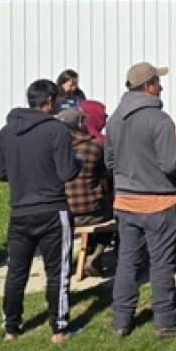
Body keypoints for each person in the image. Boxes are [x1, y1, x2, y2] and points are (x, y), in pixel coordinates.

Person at [106, 62, 176, 339]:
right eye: (158, 82)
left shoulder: (114, 119)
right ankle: (165, 321)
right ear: (148, 86)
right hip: (158, 202)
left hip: (125, 201)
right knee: (161, 264)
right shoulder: (160, 120)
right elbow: (171, 164)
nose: (161, 86)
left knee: (127, 262)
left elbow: (110, 162)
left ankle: (121, 321)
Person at [0, 79, 80, 343]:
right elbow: (67, 172)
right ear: (49, 101)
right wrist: (77, 161)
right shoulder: (56, 129)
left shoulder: (6, 132)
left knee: (16, 271)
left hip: (20, 210)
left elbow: (0, 173)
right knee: (58, 271)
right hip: (52, 209)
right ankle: (59, 328)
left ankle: (11, 328)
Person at [59, 104, 112, 277]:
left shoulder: (57, 148)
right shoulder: (94, 146)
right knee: (115, 212)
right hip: (92, 211)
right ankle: (96, 253)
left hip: (64, 211)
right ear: (80, 124)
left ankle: (78, 256)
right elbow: (106, 177)